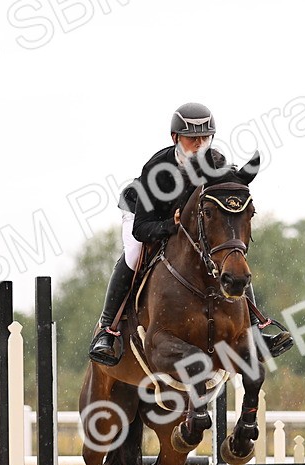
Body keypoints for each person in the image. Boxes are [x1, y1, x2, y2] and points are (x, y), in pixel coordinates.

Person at [88, 102, 293, 366]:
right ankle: (108, 330)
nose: (199, 145)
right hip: (144, 215)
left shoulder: (216, 163)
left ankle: (256, 328)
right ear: (175, 138)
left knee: (230, 257)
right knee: (134, 253)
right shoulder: (158, 169)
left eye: (204, 138)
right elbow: (141, 229)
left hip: (183, 224)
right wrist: (168, 227)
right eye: (192, 138)